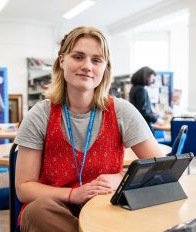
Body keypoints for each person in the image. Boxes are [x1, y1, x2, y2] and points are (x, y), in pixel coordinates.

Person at [14, 26, 165, 232]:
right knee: (36, 211)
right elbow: (24, 188)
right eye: (78, 57)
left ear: (105, 68)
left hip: (106, 209)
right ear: (62, 61)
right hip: (57, 209)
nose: (87, 66)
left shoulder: (121, 111)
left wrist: (122, 178)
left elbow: (162, 170)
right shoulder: (40, 115)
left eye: (96, 60)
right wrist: (72, 195)